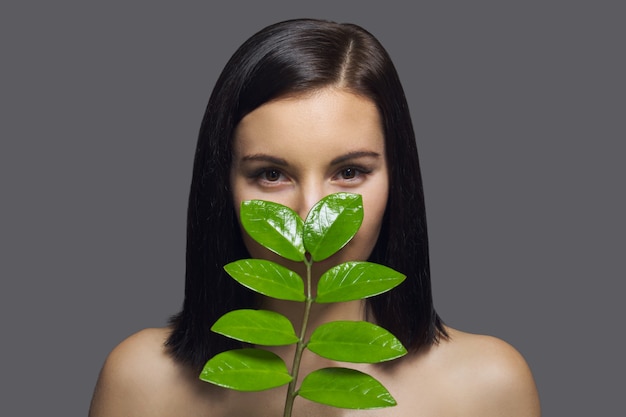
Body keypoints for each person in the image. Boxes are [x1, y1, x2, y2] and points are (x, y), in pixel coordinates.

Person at [88, 18, 541, 416]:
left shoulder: (487, 386)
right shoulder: (140, 381)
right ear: (221, 186)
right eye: (271, 174)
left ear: (397, 180)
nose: (312, 218)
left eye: (349, 173)